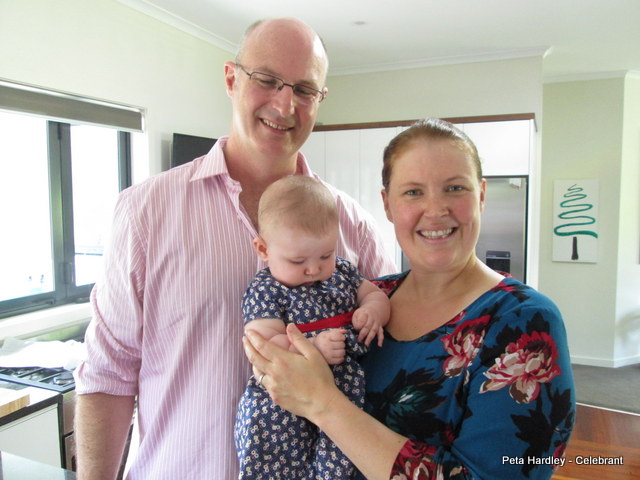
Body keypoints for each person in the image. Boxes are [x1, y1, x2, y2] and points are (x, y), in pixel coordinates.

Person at [73, 18, 396, 480]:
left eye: (305, 89)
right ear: (231, 79)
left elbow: (390, 362)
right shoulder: (145, 213)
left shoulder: (354, 225)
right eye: (266, 80)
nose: (285, 104)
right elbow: (108, 374)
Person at [243, 118, 576, 480]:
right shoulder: (365, 299)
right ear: (387, 205)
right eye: (413, 192)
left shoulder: (524, 321)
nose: (435, 210)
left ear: (481, 195)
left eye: (454, 188)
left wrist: (325, 405)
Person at [235, 175, 391, 479]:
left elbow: (375, 294)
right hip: (281, 408)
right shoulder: (266, 289)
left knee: (341, 464)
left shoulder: (342, 273)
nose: (314, 269)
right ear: (263, 249)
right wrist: (314, 349)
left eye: (325, 255)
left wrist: (373, 310)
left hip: (343, 397)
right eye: (297, 260)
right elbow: (263, 349)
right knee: (277, 467)